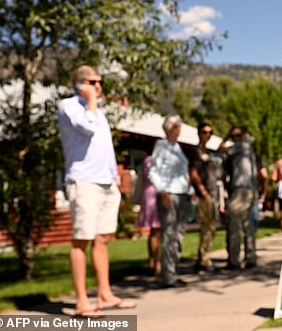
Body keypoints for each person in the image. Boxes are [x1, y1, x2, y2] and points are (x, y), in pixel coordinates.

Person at [57, 65, 136, 316]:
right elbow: (87, 128)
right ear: (80, 83)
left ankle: (105, 294)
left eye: (100, 82)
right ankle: (82, 301)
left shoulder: (98, 113)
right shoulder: (69, 106)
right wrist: (89, 100)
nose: (98, 87)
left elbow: (105, 148)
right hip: (84, 181)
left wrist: (115, 179)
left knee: (102, 239)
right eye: (93, 82)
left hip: (105, 183)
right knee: (81, 240)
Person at [148, 114, 191, 288]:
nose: (178, 129)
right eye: (175, 126)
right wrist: (162, 192)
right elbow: (153, 172)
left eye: (180, 126)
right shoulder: (161, 146)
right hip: (169, 194)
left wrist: (190, 190)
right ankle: (168, 274)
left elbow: (183, 173)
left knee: (179, 234)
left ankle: (173, 268)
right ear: (167, 128)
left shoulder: (178, 148)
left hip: (181, 194)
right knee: (169, 234)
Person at [223, 126, 258, 270]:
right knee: (248, 225)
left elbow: (221, 148)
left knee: (234, 225)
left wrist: (226, 136)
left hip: (239, 189)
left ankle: (234, 260)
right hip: (250, 189)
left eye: (236, 136)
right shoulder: (249, 148)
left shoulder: (239, 146)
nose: (234, 139)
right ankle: (251, 257)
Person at [189, 122, 218, 273]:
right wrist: (202, 190)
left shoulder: (209, 152)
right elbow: (193, 173)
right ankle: (205, 261)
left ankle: (202, 259)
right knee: (207, 228)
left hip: (212, 193)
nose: (208, 135)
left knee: (211, 228)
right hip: (204, 195)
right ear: (199, 133)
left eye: (210, 132)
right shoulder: (195, 152)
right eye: (205, 132)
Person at [137, 155, 160, 276]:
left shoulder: (147, 160)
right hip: (155, 196)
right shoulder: (154, 160)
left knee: (154, 231)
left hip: (149, 195)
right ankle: (156, 263)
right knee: (156, 231)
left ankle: (153, 261)